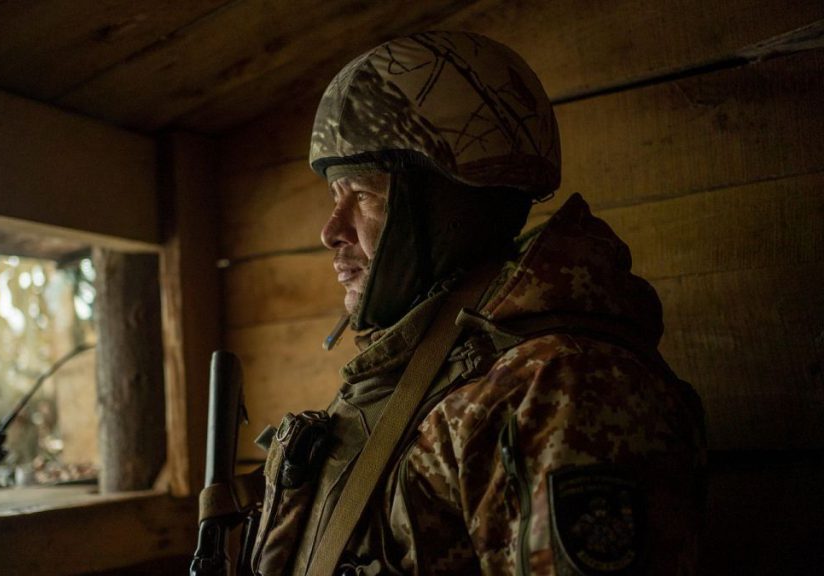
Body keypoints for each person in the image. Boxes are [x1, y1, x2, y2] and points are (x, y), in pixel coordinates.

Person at [248, 31, 705, 576]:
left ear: (447, 208)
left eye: (366, 194)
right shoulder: (434, 370)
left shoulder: (558, 385)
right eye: (334, 195)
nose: (330, 232)